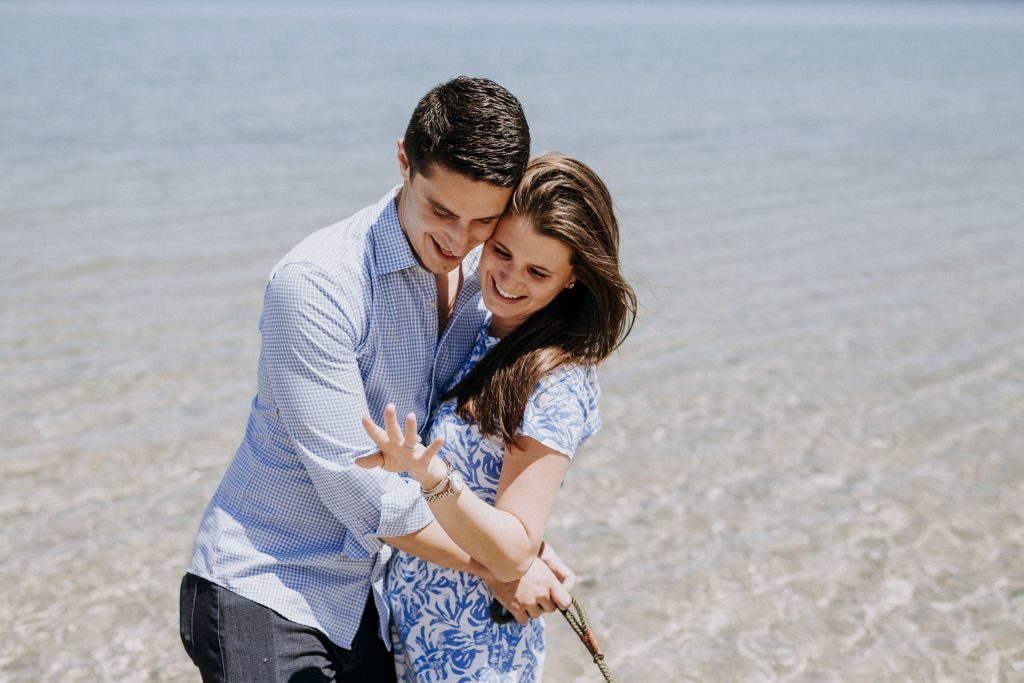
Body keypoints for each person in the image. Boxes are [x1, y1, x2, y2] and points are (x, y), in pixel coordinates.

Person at [179, 77, 576, 683]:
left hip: (369, 597)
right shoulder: (316, 286)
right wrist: (503, 564)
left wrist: (521, 543)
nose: (458, 240)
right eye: (441, 210)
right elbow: (365, 494)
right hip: (266, 583)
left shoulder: (489, 273)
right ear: (403, 161)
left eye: (483, 221)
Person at [358, 153, 637, 681]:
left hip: (476, 649)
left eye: (538, 271)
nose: (508, 279)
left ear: (573, 278)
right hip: (411, 633)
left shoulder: (555, 381)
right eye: (502, 251)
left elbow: (512, 550)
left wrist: (430, 475)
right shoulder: (483, 327)